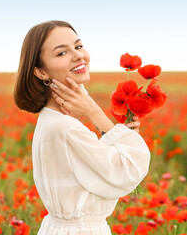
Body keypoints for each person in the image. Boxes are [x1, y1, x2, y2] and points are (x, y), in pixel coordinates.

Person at [13, 20, 150, 235]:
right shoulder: (64, 129)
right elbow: (127, 172)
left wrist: (122, 138)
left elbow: (96, 176)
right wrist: (95, 113)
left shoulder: (54, 120)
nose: (79, 56)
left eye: (78, 46)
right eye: (61, 53)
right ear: (40, 72)